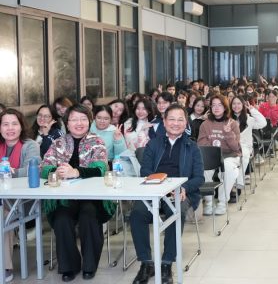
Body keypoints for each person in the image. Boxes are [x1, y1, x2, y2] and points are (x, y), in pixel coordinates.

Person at [130, 104, 204, 284]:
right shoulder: (153, 144)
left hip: (180, 192)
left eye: (180, 120)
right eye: (171, 119)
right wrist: (158, 186)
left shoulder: (192, 147)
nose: (175, 123)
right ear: (164, 121)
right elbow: (145, 171)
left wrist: (183, 187)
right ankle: (146, 263)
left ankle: (166, 263)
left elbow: (199, 177)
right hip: (154, 191)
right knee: (137, 213)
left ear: (185, 123)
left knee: (175, 212)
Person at [41, 104, 113, 282]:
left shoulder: (97, 142)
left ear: (89, 121)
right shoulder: (58, 143)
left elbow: (100, 169)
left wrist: (76, 172)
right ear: (67, 123)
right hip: (65, 197)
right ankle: (69, 266)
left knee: (88, 215)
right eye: (74, 119)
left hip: (92, 197)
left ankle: (89, 266)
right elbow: (45, 167)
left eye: (83, 119)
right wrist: (57, 171)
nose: (79, 123)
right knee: (62, 218)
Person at [1, 109, 41, 283]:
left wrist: (11, 172)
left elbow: (33, 169)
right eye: (5, 124)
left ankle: (4, 266)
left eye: (14, 124)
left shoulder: (30, 145)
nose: (10, 128)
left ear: (21, 126)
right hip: (2, 196)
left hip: (22, 200)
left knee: (2, 216)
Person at [198, 94, 241, 215]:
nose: (216, 108)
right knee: (203, 167)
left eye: (220, 105)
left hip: (230, 156)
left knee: (228, 168)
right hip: (211, 156)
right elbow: (201, 144)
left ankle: (222, 202)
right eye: (213, 105)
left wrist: (228, 134)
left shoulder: (232, 123)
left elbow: (235, 147)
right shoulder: (205, 124)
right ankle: (209, 202)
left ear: (225, 107)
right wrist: (214, 150)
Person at [230, 95, 266, 189]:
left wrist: (252, 110)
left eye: (239, 103)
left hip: (245, 146)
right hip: (230, 146)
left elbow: (263, 123)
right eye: (234, 104)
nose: (236, 106)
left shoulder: (249, 119)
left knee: (244, 155)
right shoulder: (227, 119)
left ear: (243, 105)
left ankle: (238, 180)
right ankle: (233, 180)